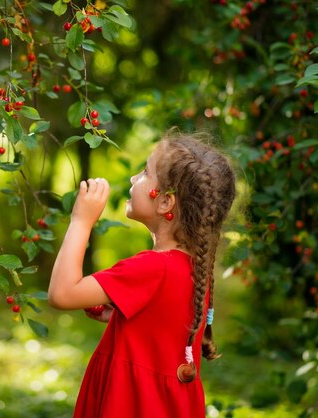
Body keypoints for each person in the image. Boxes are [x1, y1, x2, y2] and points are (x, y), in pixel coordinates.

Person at [48, 129, 236, 418]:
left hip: (130, 405)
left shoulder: (152, 267)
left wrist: (81, 221)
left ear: (165, 202)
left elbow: (62, 294)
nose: (134, 178)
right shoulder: (192, 268)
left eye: (145, 172)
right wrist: (120, 318)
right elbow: (162, 331)